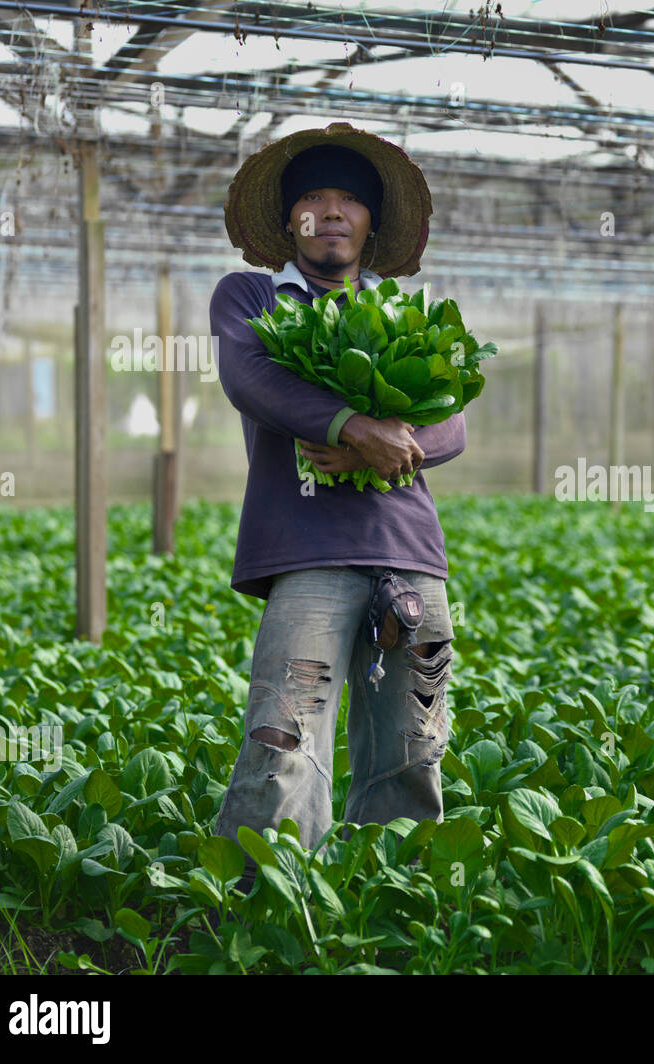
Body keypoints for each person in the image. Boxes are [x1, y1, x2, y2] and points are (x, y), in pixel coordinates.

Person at [209, 122, 464, 888]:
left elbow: (453, 416)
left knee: (414, 748)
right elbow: (251, 380)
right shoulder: (255, 295)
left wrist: (373, 448)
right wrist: (353, 425)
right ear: (289, 219)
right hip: (307, 553)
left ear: (371, 223)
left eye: (347, 198)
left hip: (409, 557)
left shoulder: (402, 312)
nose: (329, 211)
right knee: (285, 741)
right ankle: (275, 912)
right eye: (312, 199)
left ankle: (390, 907)